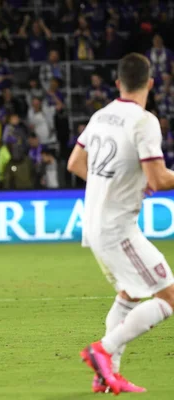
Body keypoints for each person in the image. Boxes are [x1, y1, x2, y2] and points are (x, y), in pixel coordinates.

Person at [68, 53, 174, 394]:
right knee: (169, 298)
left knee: (128, 295)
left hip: (95, 225)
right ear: (151, 84)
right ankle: (103, 350)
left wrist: (113, 186)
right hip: (118, 228)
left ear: (117, 83)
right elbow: (157, 179)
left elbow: (75, 162)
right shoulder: (144, 121)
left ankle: (106, 376)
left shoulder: (101, 115)